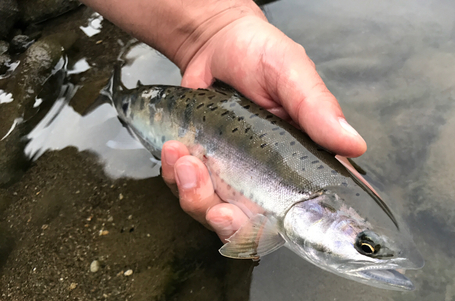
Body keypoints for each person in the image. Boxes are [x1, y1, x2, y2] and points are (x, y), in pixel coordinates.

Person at [81, 0, 367, 241]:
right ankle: (115, 96)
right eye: (364, 247)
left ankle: (115, 95)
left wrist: (217, 28)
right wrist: (216, 28)